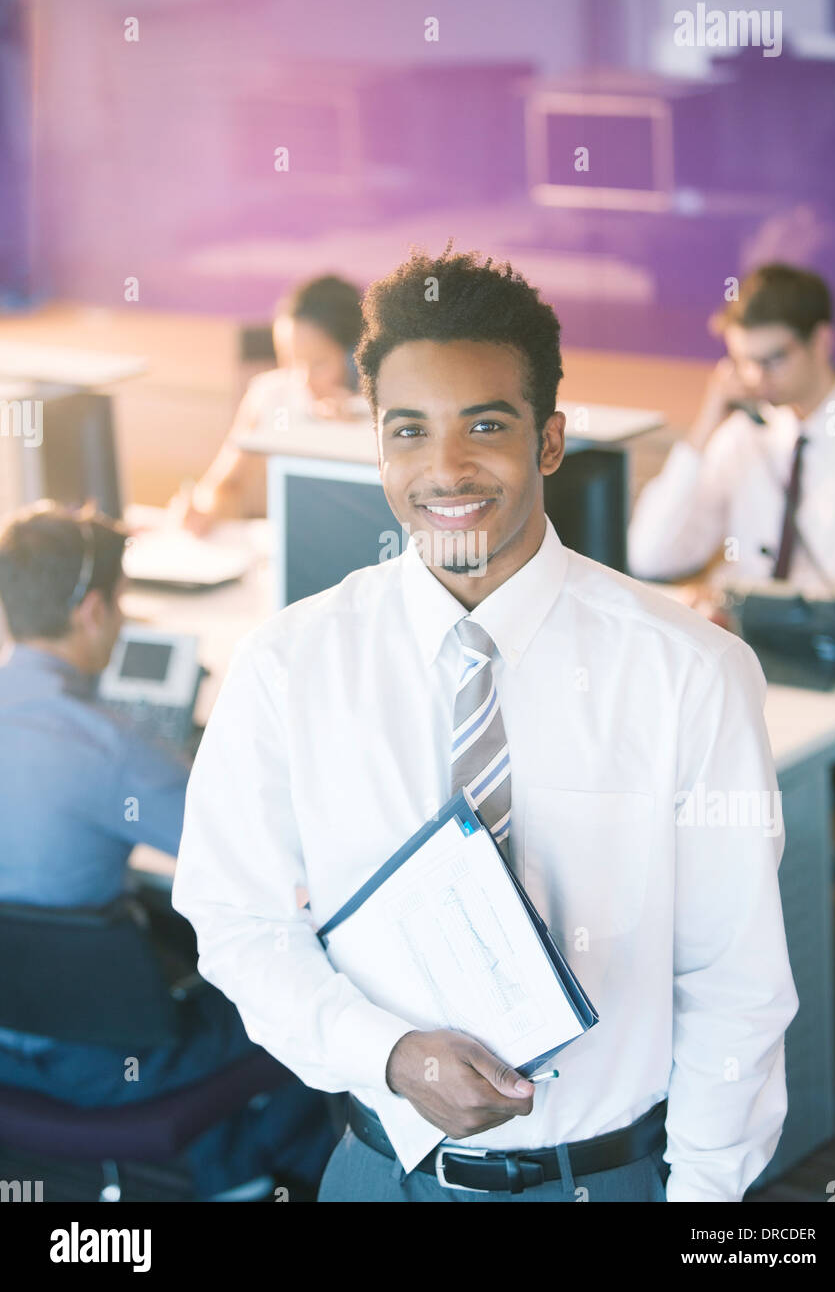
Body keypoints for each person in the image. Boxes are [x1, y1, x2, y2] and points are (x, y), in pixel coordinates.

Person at [173, 245, 799, 1203]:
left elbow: (736, 983)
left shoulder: (691, 674)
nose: (445, 468)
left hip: (603, 1178)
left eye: (486, 425)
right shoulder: (291, 665)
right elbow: (235, 919)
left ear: (549, 443)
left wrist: (706, 1200)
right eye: (409, 431)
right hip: (379, 1174)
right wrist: (384, 1054)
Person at [0, 501, 336, 1199]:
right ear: (93, 610)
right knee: (300, 993)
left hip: (9, 1044)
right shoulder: (107, 748)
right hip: (99, 1062)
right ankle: (248, 1174)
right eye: (120, 606)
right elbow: (261, 857)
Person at [628, 264, 835, 621]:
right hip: (745, 645)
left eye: (772, 360)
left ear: (820, 341)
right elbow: (651, 556)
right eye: (742, 361)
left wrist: (780, 609)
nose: (755, 378)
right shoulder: (742, 432)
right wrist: (705, 427)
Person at [171, 274, 366, 535]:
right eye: (290, 361)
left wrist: (364, 425)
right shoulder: (271, 394)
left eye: (319, 363)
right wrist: (205, 510)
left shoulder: (385, 408)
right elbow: (227, 483)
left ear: (355, 356)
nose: (304, 381)